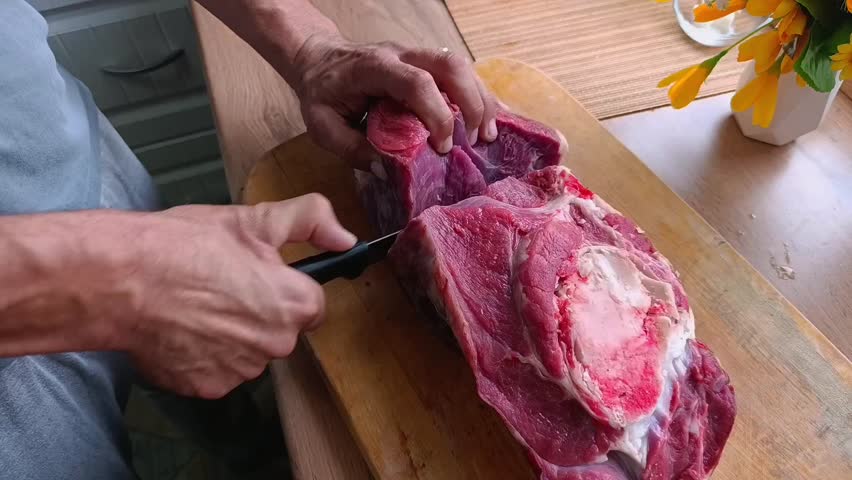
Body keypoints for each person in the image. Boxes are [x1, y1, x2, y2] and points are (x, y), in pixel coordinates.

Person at [0, 0, 496, 477]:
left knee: (203, 370)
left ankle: (248, 451)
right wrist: (104, 281)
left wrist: (311, 47)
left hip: (63, 142)